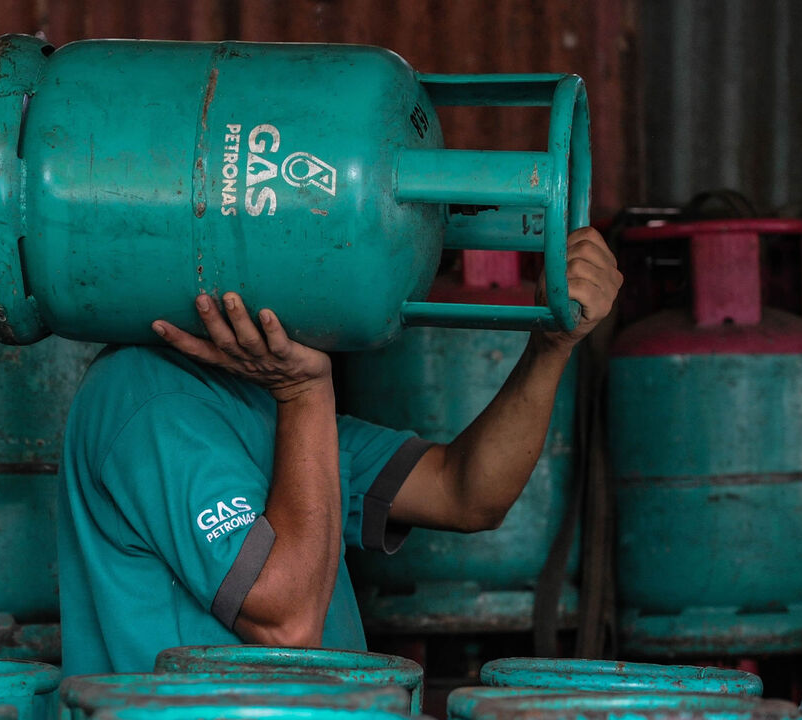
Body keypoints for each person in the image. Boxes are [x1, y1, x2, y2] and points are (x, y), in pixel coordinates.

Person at [56, 227, 622, 676]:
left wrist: (550, 347)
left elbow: (466, 493)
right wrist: (305, 392)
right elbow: (287, 624)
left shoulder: (256, 399)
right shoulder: (153, 397)